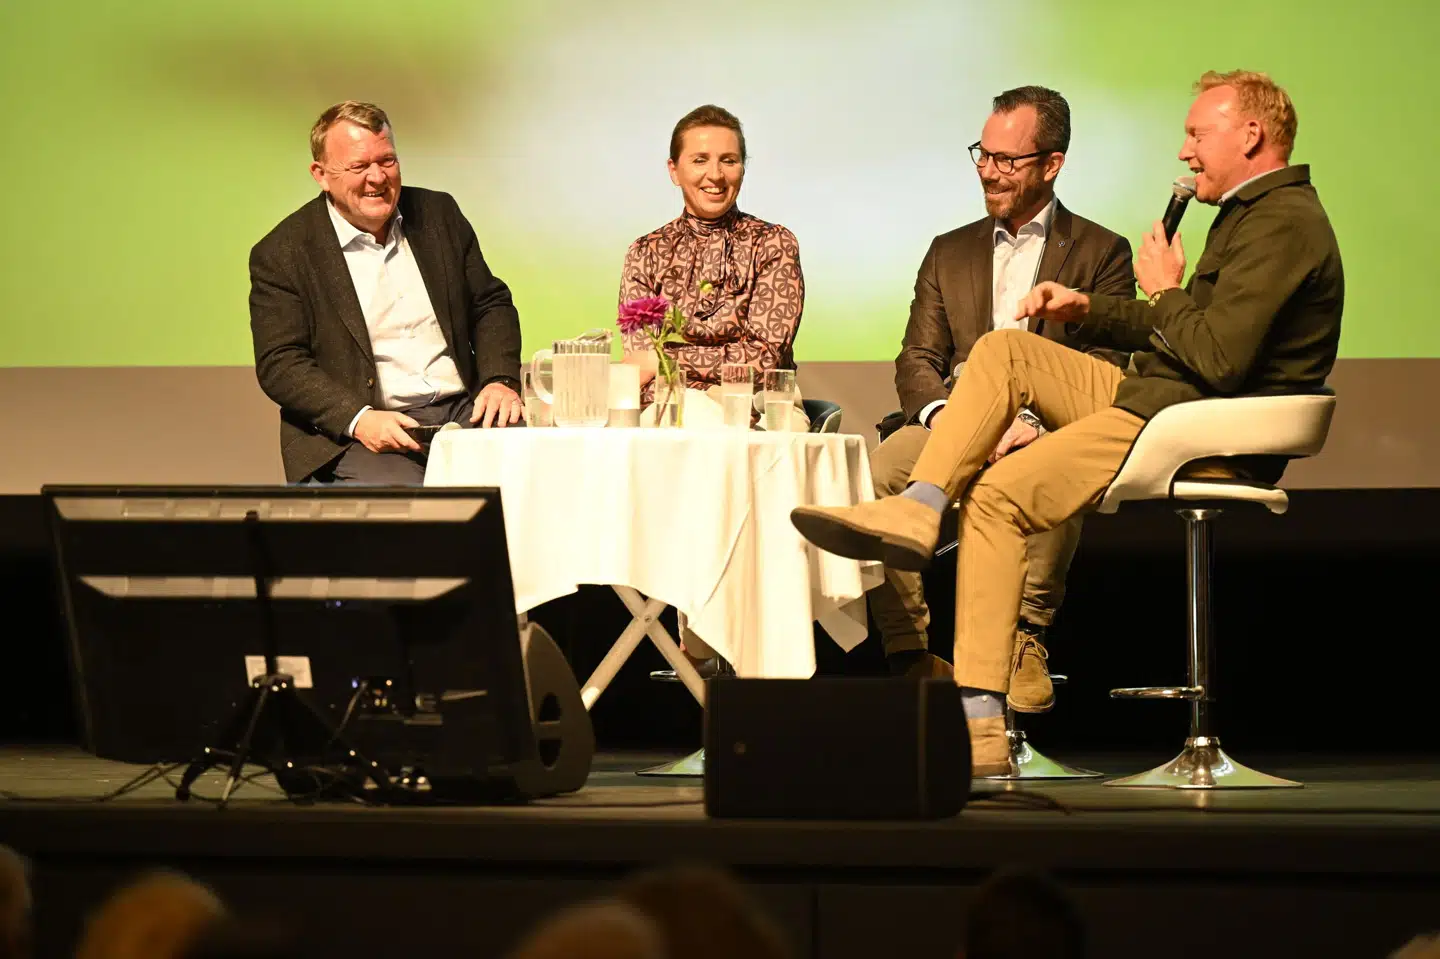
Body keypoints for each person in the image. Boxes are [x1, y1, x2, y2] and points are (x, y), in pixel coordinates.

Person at [792, 70, 1343, 775]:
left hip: (1186, 417)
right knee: (1006, 350)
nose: (1184, 151)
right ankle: (922, 509)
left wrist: (1167, 287)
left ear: (1251, 134)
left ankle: (982, 720)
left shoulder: (1284, 223)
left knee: (997, 495)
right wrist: (1088, 308)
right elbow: (1192, 334)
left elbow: (1218, 359)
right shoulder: (1250, 213)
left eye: (1197, 134)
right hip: (1163, 395)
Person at [871, 86, 1136, 694]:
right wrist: (945, 419)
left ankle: (1023, 639)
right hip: (954, 419)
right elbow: (918, 356)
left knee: (1048, 466)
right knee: (878, 472)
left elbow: (1108, 360)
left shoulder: (1101, 251)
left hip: (1046, 423)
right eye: (982, 155)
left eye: (1007, 160)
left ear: (1052, 163)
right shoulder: (949, 250)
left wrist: (1035, 424)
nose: (989, 171)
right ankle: (910, 654)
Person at [250, 100, 523, 485]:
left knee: (538, 473)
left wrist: (499, 379)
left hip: (465, 412)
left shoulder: (438, 213)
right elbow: (280, 362)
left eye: (388, 161)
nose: (377, 178)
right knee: (406, 517)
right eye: (359, 166)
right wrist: (358, 419)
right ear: (321, 174)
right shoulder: (284, 252)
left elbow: (489, 304)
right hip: (362, 432)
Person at [618, 104, 806, 426]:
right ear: (674, 170)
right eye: (700, 160)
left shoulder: (773, 243)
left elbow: (763, 358)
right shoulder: (645, 252)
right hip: (666, 408)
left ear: (742, 169)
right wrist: (657, 366)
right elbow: (640, 360)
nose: (716, 175)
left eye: (728, 161)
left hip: (758, 408)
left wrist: (665, 359)